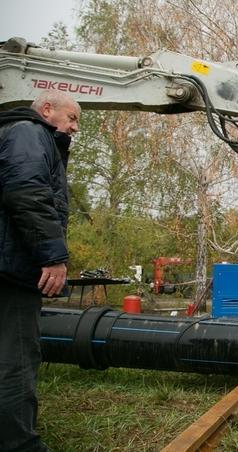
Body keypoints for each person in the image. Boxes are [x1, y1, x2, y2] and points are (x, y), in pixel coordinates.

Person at [0, 90, 81, 451]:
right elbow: (28, 194)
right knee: (15, 360)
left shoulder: (15, 133)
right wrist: (52, 256)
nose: (75, 128)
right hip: (12, 272)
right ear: (46, 109)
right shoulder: (29, 133)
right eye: (73, 118)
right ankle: (20, 445)